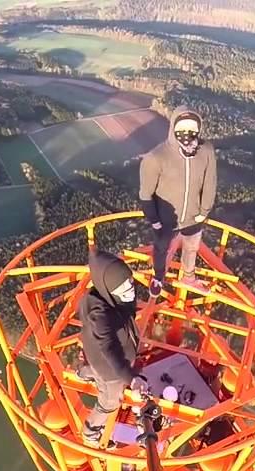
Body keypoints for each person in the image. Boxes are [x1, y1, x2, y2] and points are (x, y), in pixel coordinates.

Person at [139, 106, 218, 298]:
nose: (187, 133)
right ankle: (158, 277)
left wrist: (204, 210)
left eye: (192, 128)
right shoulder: (156, 157)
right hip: (166, 219)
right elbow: (145, 194)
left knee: (192, 246)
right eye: (182, 127)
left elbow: (210, 182)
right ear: (173, 127)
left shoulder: (205, 151)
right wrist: (154, 220)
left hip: (194, 215)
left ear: (199, 129)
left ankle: (188, 277)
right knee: (161, 249)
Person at [79, 251, 150, 447]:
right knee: (110, 403)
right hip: (110, 370)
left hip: (97, 357)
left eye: (129, 280)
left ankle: (86, 371)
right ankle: (90, 434)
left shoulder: (100, 295)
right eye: (122, 285)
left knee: (96, 368)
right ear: (108, 287)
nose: (130, 287)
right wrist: (130, 378)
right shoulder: (101, 315)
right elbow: (109, 348)